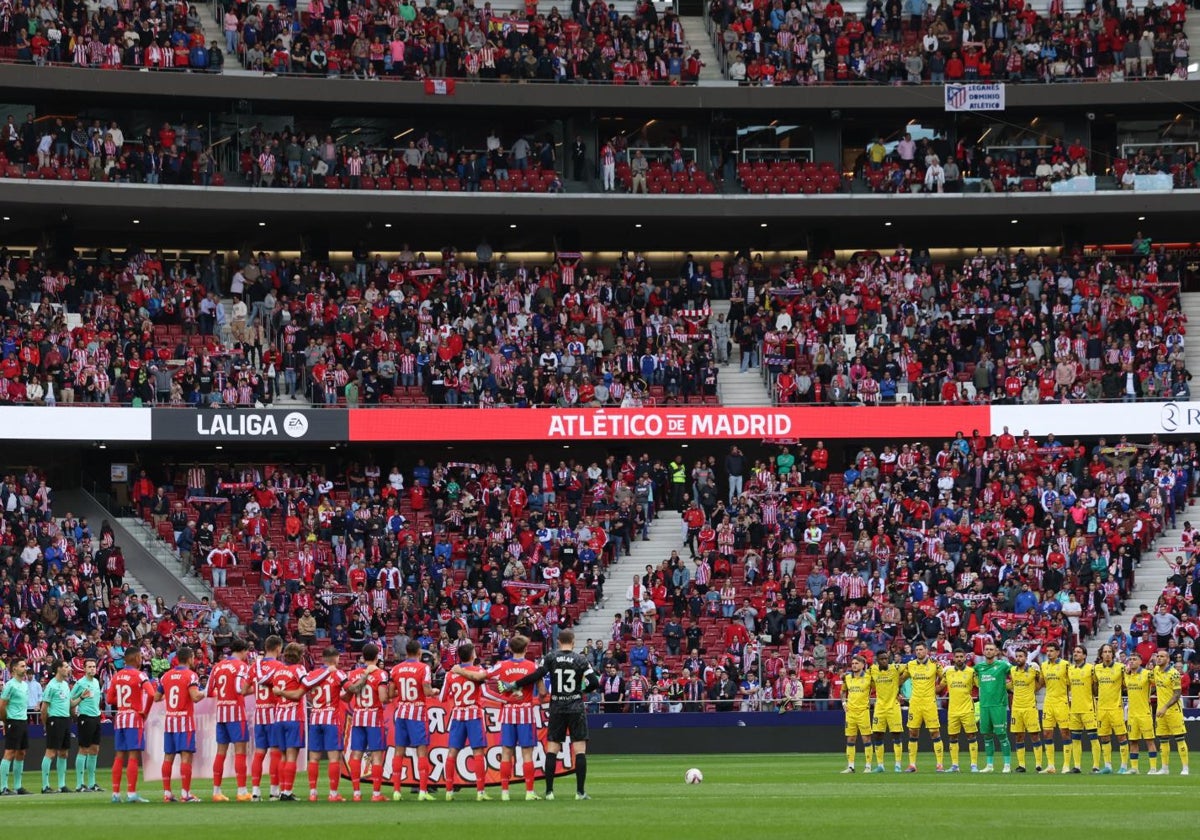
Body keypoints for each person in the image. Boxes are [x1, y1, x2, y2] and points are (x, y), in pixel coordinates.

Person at [500, 627, 597, 800]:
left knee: (552, 749)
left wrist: (515, 684)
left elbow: (537, 674)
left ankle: (549, 792)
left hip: (557, 706)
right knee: (580, 750)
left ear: (558, 642)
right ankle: (580, 792)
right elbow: (594, 682)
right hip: (575, 706)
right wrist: (582, 689)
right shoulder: (581, 659)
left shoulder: (551, 657)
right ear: (573, 642)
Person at [456, 633, 542, 800]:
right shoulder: (533, 666)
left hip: (508, 712)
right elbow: (543, 691)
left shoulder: (501, 665)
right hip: (525, 712)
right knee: (527, 754)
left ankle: (504, 793)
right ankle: (529, 792)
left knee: (506, 753)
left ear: (509, 649)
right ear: (526, 649)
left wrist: (460, 670)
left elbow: (480, 677)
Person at [441, 642, 490, 801]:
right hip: (474, 714)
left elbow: (442, 697)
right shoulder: (479, 671)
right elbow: (486, 693)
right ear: (472, 655)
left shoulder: (450, 674)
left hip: (457, 715)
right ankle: (480, 792)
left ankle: (448, 791)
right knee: (478, 752)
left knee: (452, 752)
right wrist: (504, 700)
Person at [106, 647, 157, 802]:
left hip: (120, 717)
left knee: (119, 756)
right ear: (136, 658)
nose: (141, 659)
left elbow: (109, 700)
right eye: (140, 656)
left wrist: (123, 701)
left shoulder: (117, 676)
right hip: (134, 717)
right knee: (133, 756)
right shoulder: (140, 675)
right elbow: (152, 694)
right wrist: (145, 711)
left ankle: (115, 794)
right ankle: (131, 793)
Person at [388, 640, 436, 801]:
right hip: (417, 713)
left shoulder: (395, 669)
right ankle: (423, 791)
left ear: (406, 652)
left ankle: (396, 791)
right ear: (419, 653)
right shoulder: (424, 668)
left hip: (401, 712)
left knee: (399, 751)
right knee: (421, 751)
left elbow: (389, 694)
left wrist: (401, 692)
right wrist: (435, 691)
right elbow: (427, 691)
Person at [342, 641, 391, 801]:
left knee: (356, 754)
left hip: (358, 716)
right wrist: (395, 695)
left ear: (362, 657)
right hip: (374, 718)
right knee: (377, 755)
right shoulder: (381, 674)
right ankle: (376, 794)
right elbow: (383, 698)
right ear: (377, 657)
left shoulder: (353, 674)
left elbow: (347, 696)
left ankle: (356, 793)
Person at [206, 639, 253, 801]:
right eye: (247, 651)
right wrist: (255, 690)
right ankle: (241, 791)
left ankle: (216, 792)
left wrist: (222, 696)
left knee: (221, 753)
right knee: (240, 752)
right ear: (243, 650)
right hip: (236, 714)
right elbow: (240, 688)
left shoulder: (217, 666)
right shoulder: (241, 666)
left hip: (221, 713)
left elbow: (208, 691)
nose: (247, 655)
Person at [298, 647, 348, 801]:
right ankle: (333, 794)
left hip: (315, 718)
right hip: (331, 719)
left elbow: (307, 693)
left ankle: (313, 793)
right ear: (334, 658)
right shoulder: (338, 673)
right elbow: (348, 690)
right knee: (334, 758)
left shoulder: (313, 674)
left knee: (313, 758)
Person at [159, 645, 204, 802]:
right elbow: (195, 697)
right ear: (190, 658)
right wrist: (207, 691)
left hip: (170, 720)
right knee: (186, 757)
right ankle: (186, 794)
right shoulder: (191, 676)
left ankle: (167, 793)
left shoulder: (166, 676)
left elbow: (157, 697)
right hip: (184, 721)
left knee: (168, 757)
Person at [267, 643, 309, 800]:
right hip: (293, 717)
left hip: (278, 717)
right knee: (291, 756)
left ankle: (281, 790)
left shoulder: (278, 671)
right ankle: (287, 792)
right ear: (299, 656)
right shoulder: (299, 669)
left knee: (283, 756)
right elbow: (301, 690)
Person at [250, 634, 284, 801]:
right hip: (273, 712)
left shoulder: (254, 666)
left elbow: (242, 690)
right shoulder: (279, 666)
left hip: (259, 713)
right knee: (275, 752)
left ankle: (255, 791)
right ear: (278, 648)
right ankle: (274, 790)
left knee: (259, 752)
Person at [904, 641, 945, 772]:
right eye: (917, 650)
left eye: (921, 649)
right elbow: (900, 679)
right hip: (915, 703)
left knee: (934, 732)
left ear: (926, 650)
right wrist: (896, 693)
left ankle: (939, 764)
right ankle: (912, 765)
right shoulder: (910, 665)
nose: (918, 652)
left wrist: (938, 688)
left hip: (929, 703)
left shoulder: (934, 664)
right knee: (913, 732)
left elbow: (945, 677)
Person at [972, 641, 1011, 773]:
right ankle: (989, 765)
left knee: (1001, 734)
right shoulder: (979, 667)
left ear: (996, 652)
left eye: (991, 649)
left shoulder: (1003, 665)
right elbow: (970, 676)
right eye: (987, 649)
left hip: (998, 705)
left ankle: (1007, 765)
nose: (988, 651)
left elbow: (1017, 672)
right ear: (983, 652)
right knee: (987, 735)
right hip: (984, 706)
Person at [1094, 643, 1130, 774]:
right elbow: (1094, 686)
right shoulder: (1096, 668)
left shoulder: (1121, 668)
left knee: (1121, 737)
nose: (1107, 654)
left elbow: (1127, 685)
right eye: (1105, 651)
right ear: (1101, 654)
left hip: (1116, 708)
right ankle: (1108, 766)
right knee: (1104, 737)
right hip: (1101, 708)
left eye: (1110, 651)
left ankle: (1124, 766)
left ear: (1113, 654)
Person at [1152, 649, 1190, 775]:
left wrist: (1165, 707)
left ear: (1168, 659)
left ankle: (1185, 768)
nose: (1159, 658)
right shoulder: (1156, 670)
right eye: (1158, 656)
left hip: (1173, 711)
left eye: (1162, 656)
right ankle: (1164, 768)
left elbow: (1177, 694)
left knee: (1179, 738)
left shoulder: (1174, 673)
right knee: (1163, 739)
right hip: (1160, 712)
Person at [1123, 651, 1160, 774]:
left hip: (1145, 713)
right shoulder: (1127, 675)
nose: (1132, 661)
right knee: (1133, 741)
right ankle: (1134, 768)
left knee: (1149, 740)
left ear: (1140, 662)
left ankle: (1153, 768)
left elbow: (1157, 680)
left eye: (1134, 659)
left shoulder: (1147, 674)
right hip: (1132, 714)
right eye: (1130, 659)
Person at [868, 650, 905, 772]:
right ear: (877, 660)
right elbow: (865, 678)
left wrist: (899, 687)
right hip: (879, 707)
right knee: (878, 734)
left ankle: (898, 765)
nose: (884, 661)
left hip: (893, 706)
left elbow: (910, 668)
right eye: (881, 659)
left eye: (886, 658)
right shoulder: (872, 669)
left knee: (896, 735)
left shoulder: (895, 668)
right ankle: (880, 765)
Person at [69, 658, 103, 792]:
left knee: (95, 749)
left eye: (94, 666)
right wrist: (74, 715)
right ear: (84, 669)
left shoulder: (95, 682)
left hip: (96, 717)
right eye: (89, 667)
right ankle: (79, 784)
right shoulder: (80, 683)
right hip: (85, 718)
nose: (92, 669)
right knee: (83, 749)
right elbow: (70, 701)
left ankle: (92, 783)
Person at [1067, 644, 1101, 773]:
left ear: (1085, 656)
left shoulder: (1091, 669)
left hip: (1088, 708)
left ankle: (1096, 766)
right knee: (1075, 738)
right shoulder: (1070, 670)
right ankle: (1077, 766)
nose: (1076, 654)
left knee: (1093, 738)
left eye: (1079, 652)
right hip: (1074, 709)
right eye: (1075, 651)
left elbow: (1096, 686)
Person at [1039, 641, 1072, 773]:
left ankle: (1066, 765)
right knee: (1047, 733)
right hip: (1048, 702)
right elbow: (1041, 683)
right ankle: (1051, 765)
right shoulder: (1044, 665)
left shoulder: (1065, 665)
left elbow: (1070, 684)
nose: (1049, 653)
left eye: (1052, 651)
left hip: (1061, 702)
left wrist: (1068, 697)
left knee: (1065, 733)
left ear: (1058, 652)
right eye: (1047, 651)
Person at [944, 649, 980, 773]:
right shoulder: (948, 672)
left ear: (965, 658)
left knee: (971, 736)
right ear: (953, 658)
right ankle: (955, 765)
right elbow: (940, 687)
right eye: (957, 657)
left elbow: (980, 685)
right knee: (952, 737)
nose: (959, 659)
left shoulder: (971, 672)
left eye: (961, 656)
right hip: (953, 710)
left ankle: (974, 765)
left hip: (967, 709)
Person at [40, 660, 73, 793]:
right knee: (51, 752)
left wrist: (81, 698)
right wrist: (45, 724)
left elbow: (70, 703)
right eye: (66, 667)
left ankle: (62, 784)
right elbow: (44, 709)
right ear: (59, 669)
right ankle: (45, 785)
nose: (68, 669)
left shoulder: (65, 684)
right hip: (54, 720)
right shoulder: (51, 686)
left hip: (65, 720)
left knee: (64, 753)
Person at [1008, 649, 1042, 773]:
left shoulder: (1033, 670)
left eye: (1021, 656)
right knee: (1018, 736)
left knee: (1034, 735)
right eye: (1016, 656)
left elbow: (1040, 684)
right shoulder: (1012, 671)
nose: (1018, 658)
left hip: (1030, 707)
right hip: (1016, 708)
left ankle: (1038, 764)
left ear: (1026, 657)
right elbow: (1012, 685)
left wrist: (1033, 690)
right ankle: (1021, 765)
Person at [0, 658, 31, 795]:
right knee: (9, 752)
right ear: (14, 669)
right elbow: (2, 706)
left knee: (21, 753)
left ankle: (18, 786)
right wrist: (6, 722)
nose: (25, 668)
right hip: (13, 721)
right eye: (22, 666)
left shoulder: (24, 685)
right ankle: (3, 787)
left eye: (25, 666)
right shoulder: (10, 685)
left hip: (23, 721)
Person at [841, 654, 872, 773]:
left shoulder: (869, 678)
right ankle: (850, 766)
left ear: (863, 665)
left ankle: (868, 766)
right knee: (850, 739)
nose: (854, 665)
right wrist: (844, 704)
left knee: (866, 739)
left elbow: (879, 688)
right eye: (852, 664)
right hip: (850, 713)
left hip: (863, 712)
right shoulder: (848, 678)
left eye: (856, 663)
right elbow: (843, 692)